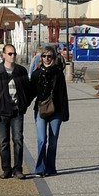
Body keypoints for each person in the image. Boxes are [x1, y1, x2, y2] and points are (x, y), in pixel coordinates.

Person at [0, 43, 33, 178]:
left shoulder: (21, 71)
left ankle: (18, 169)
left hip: (17, 111)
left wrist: (24, 104)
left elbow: (28, 90)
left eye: (14, 53)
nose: (13, 56)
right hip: (2, 112)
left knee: (18, 140)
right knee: (3, 141)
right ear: (3, 55)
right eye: (10, 54)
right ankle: (6, 169)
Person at [30, 46, 69, 177]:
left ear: (53, 58)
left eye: (49, 56)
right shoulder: (37, 74)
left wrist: (65, 113)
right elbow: (31, 92)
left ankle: (51, 167)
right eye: (44, 56)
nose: (47, 59)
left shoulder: (58, 73)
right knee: (41, 139)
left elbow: (63, 94)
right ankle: (40, 168)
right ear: (41, 58)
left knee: (53, 141)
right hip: (40, 109)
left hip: (56, 110)